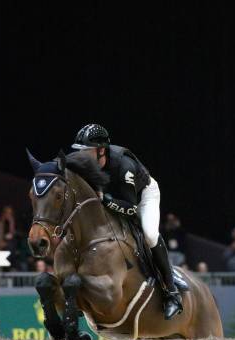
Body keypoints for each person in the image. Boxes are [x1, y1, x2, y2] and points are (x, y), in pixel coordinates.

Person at [71, 124, 187, 319]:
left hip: (142, 197)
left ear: (101, 151)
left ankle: (171, 292)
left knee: (149, 234)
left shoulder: (124, 166)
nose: (82, 157)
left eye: (86, 152)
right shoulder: (86, 162)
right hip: (113, 196)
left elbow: (131, 208)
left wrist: (105, 200)